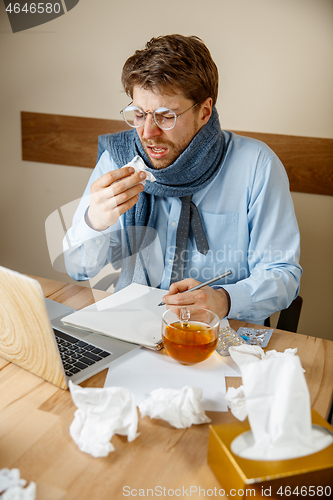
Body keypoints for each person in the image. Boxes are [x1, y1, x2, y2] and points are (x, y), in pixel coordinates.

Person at [63, 34, 302, 324]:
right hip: (129, 329)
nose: (147, 133)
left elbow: (283, 274)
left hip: (216, 338)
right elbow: (78, 270)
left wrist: (224, 300)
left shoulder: (256, 166)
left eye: (166, 116)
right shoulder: (117, 160)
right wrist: (94, 222)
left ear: (204, 111)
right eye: (139, 113)